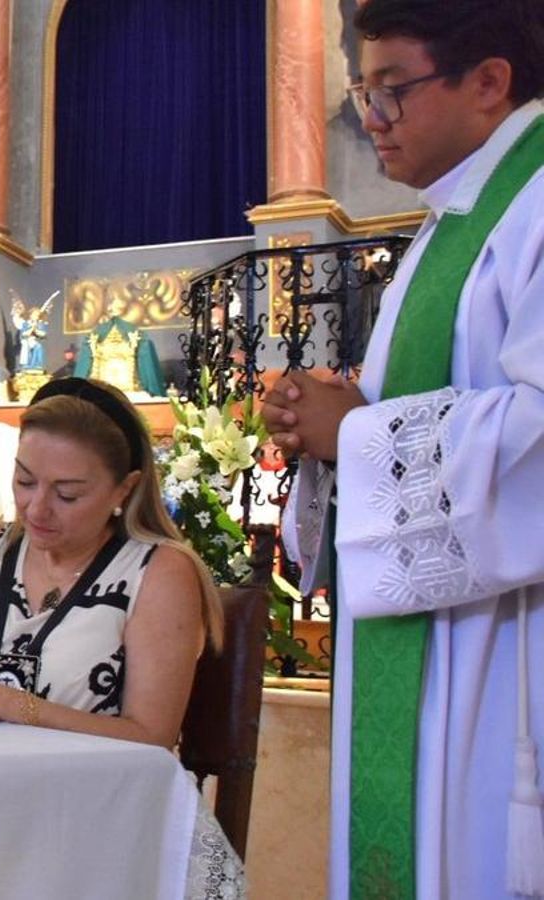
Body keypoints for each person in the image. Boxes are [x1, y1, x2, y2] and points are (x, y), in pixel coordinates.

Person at [259, 1, 544, 895]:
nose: (370, 121)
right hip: (447, 639)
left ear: (489, 82)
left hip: (513, 653)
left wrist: (359, 432)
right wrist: (336, 421)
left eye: (393, 93)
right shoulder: (454, 222)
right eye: (361, 94)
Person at [0, 377, 244, 897]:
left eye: (67, 494)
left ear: (124, 489)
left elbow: (150, 737)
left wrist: (8, 703)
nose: (36, 510)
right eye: (25, 482)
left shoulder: (158, 572)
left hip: (92, 822)